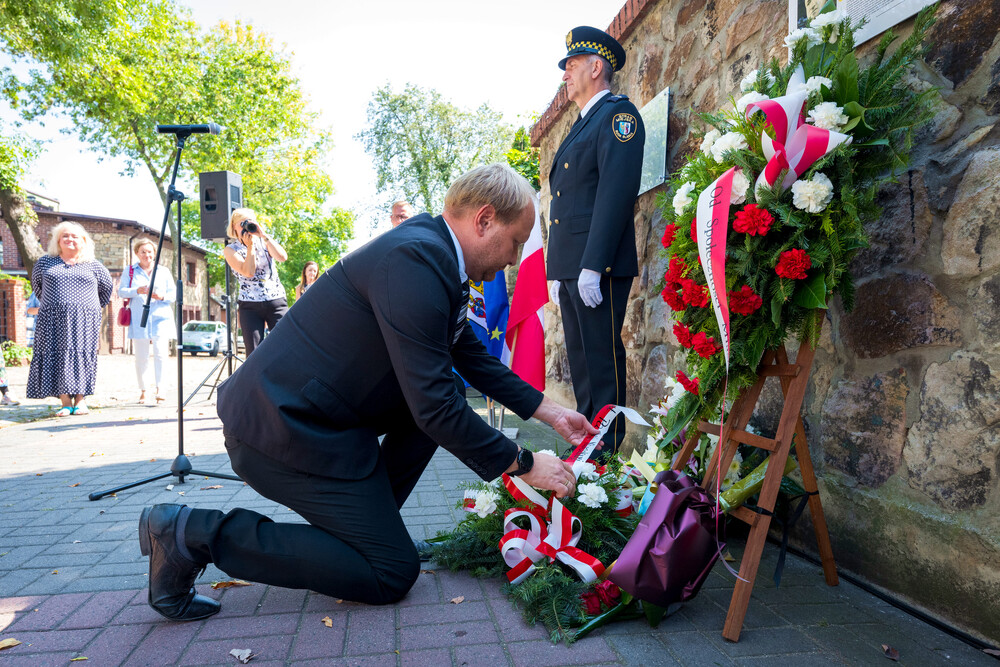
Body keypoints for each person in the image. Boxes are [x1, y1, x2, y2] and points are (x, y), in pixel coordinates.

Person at [136, 164, 597, 621]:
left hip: (320, 420)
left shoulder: (433, 252)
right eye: (516, 241)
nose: (515, 257)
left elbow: (467, 354)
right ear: (484, 219)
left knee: (444, 395)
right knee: (391, 572)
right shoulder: (415, 259)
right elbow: (435, 407)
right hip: (277, 429)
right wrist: (526, 463)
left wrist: (551, 413)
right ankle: (188, 532)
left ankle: (368, 530)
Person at [546, 26, 645, 462]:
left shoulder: (618, 117)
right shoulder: (581, 124)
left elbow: (615, 193)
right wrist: (557, 269)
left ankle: (604, 455)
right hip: (571, 267)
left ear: (596, 66)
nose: (565, 74)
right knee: (582, 365)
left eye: (571, 65)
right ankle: (587, 449)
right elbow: (566, 202)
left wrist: (594, 264)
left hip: (595, 266)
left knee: (602, 362)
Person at [26, 221, 112, 416]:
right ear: (58, 240)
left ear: (83, 241)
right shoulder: (45, 263)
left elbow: (105, 291)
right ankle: (65, 402)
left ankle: (80, 401)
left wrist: (84, 308)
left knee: (81, 356)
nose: (69, 239)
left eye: (74, 236)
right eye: (65, 236)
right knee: (57, 356)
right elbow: (39, 288)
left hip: (84, 320)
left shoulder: (94, 266)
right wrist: (56, 306)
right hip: (52, 319)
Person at [222, 209, 288, 355]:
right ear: (234, 227)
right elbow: (248, 272)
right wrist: (250, 246)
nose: (246, 228)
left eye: (249, 223)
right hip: (250, 305)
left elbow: (282, 257)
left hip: (275, 300)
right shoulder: (231, 250)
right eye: (242, 224)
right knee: (254, 353)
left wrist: (263, 235)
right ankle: (256, 378)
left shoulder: (264, 242)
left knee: (286, 346)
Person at [118, 238, 176, 404]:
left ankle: (161, 389)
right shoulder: (130, 271)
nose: (147, 255)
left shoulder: (163, 271)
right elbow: (121, 292)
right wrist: (137, 290)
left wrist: (162, 296)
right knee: (141, 356)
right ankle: (143, 390)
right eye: (143, 251)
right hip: (139, 317)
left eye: (150, 252)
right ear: (137, 253)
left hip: (161, 316)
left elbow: (173, 294)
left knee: (161, 354)